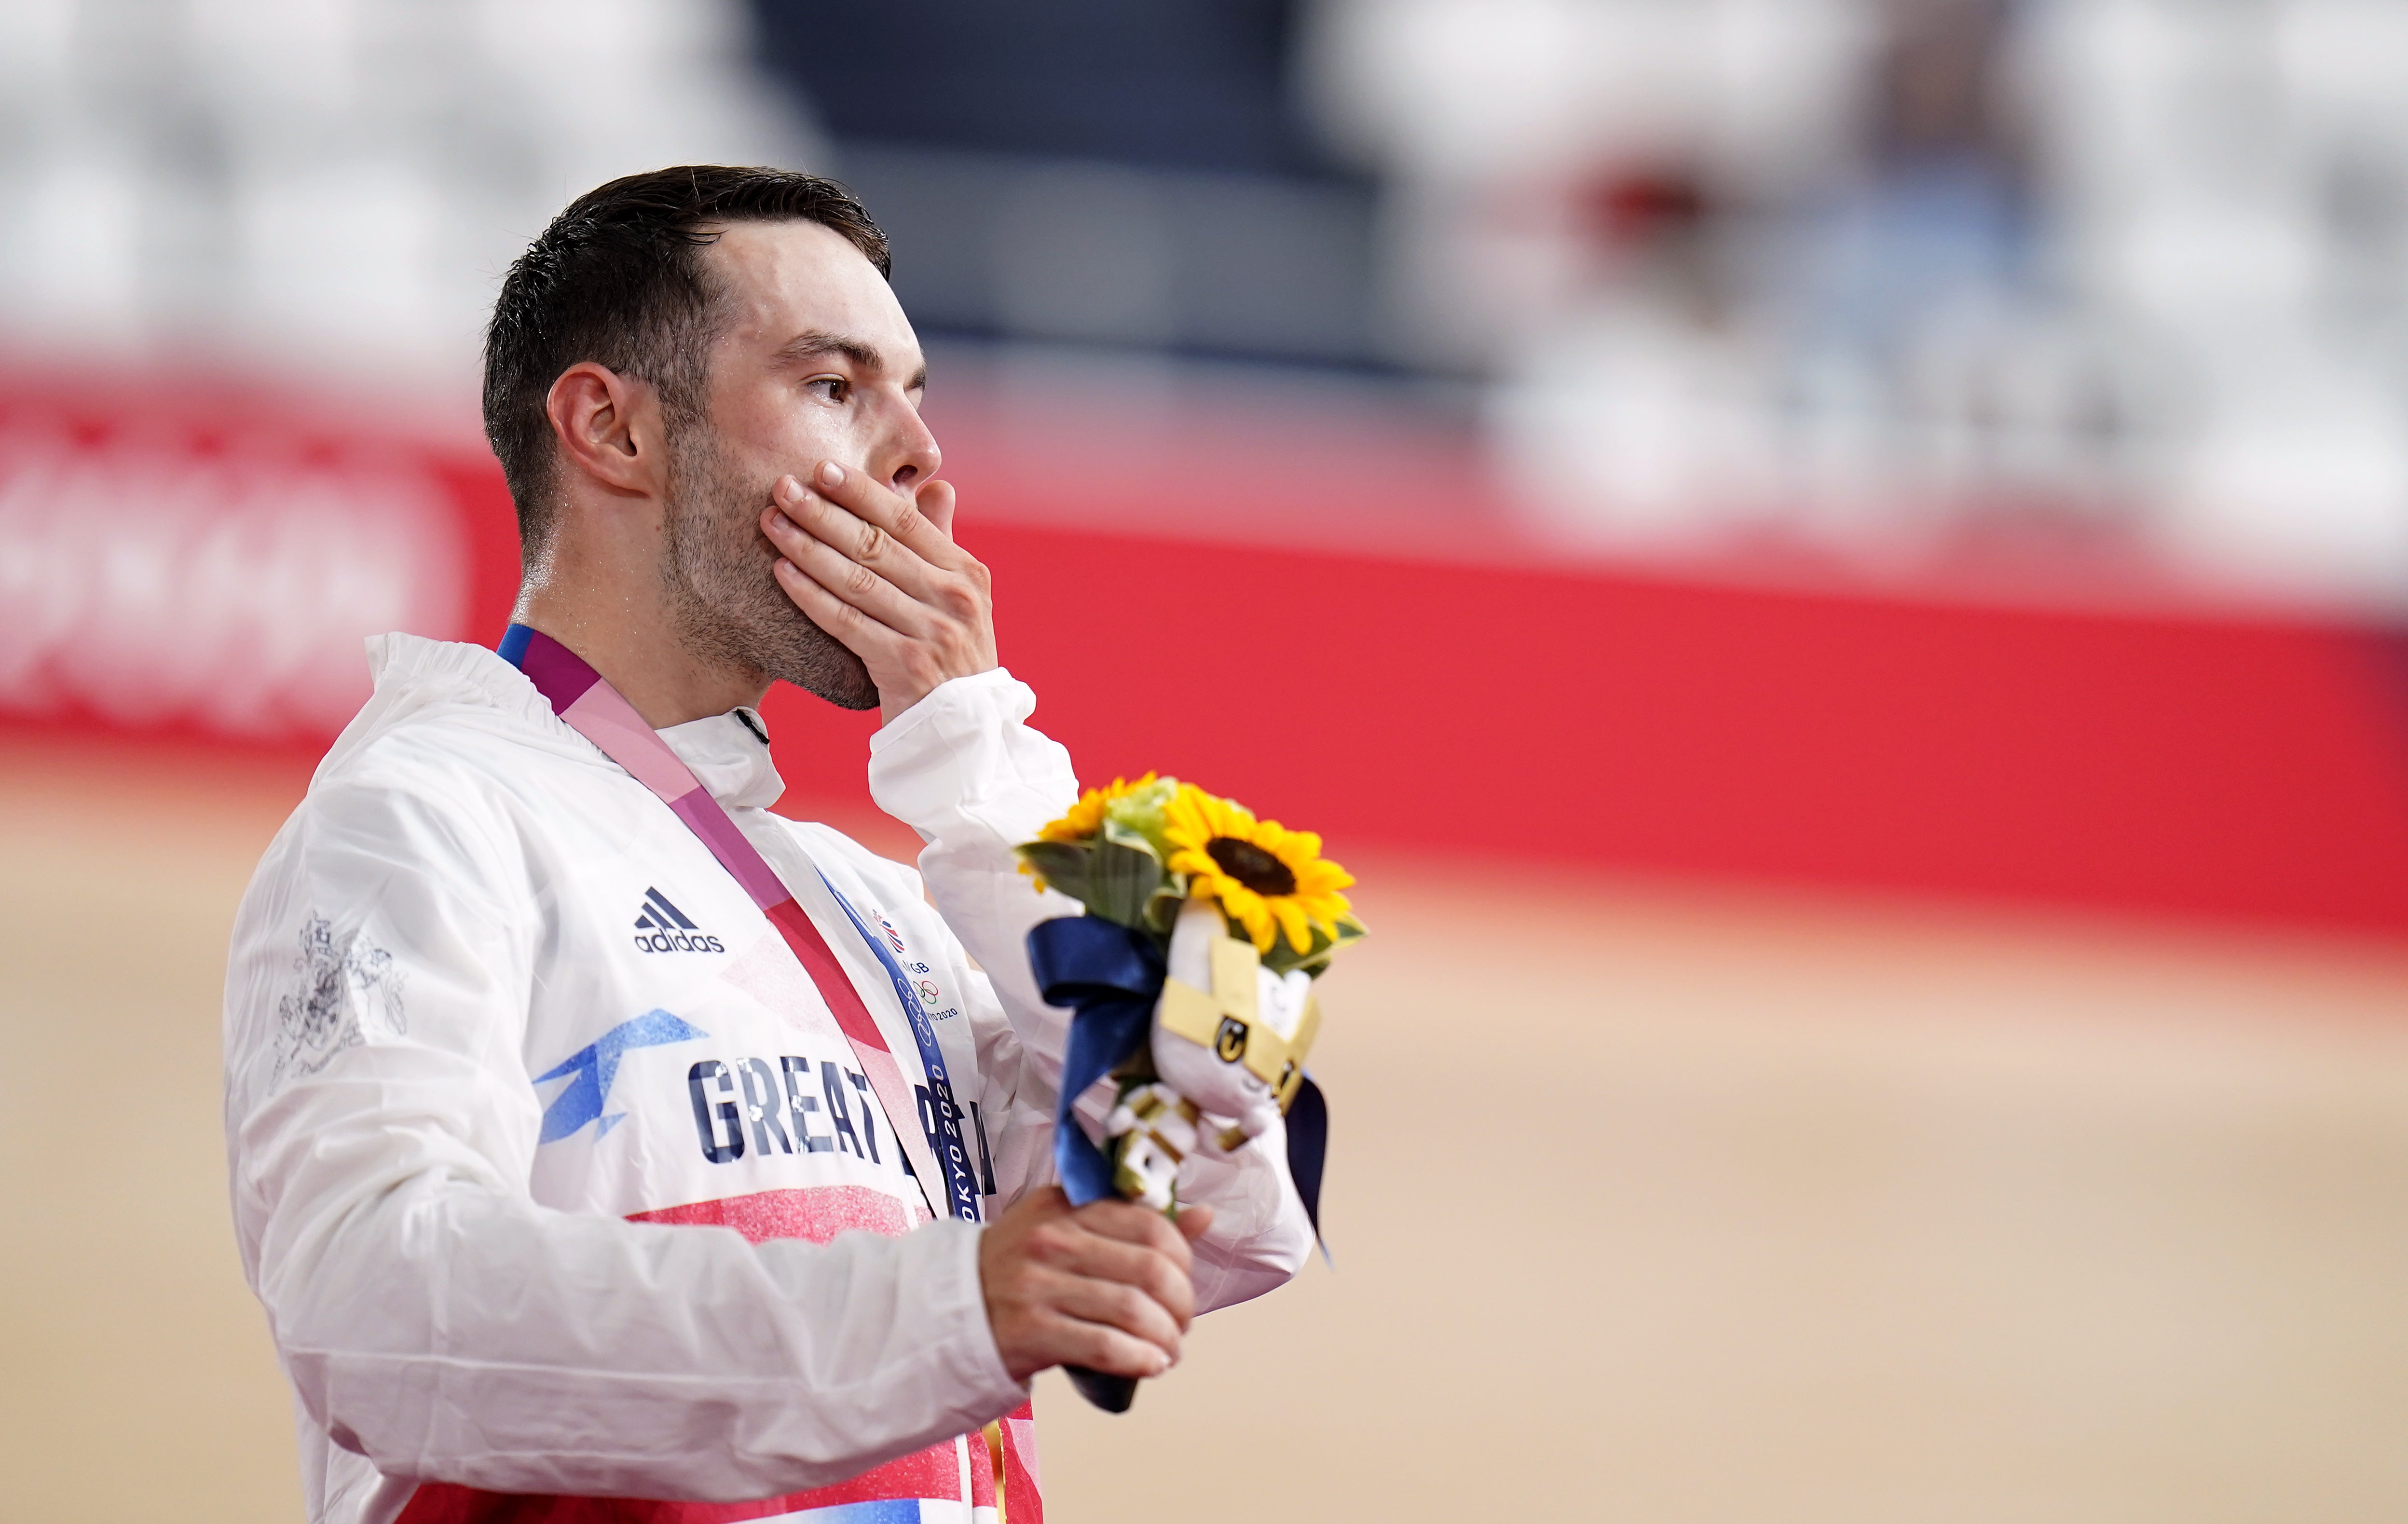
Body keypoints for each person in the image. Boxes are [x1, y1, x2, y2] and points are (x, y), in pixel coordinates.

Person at [221, 165, 1313, 1524]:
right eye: (835, 386)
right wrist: (939, 1308)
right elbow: (376, 1305)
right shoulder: (422, 818)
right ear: (613, 429)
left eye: (919, 396)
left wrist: (981, 763)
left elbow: (1210, 1205)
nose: (919, 459)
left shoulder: (889, 911)